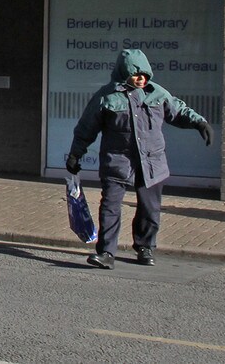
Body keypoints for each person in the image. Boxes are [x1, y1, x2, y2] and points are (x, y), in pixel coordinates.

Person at [65, 47, 213, 268]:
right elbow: (86, 128)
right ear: (123, 73)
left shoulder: (157, 93)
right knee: (110, 207)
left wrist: (199, 123)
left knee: (149, 209)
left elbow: (179, 110)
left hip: (152, 163)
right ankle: (106, 252)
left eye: (144, 74)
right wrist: (76, 154)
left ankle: (145, 247)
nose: (141, 79)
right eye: (136, 74)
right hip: (117, 161)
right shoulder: (106, 96)